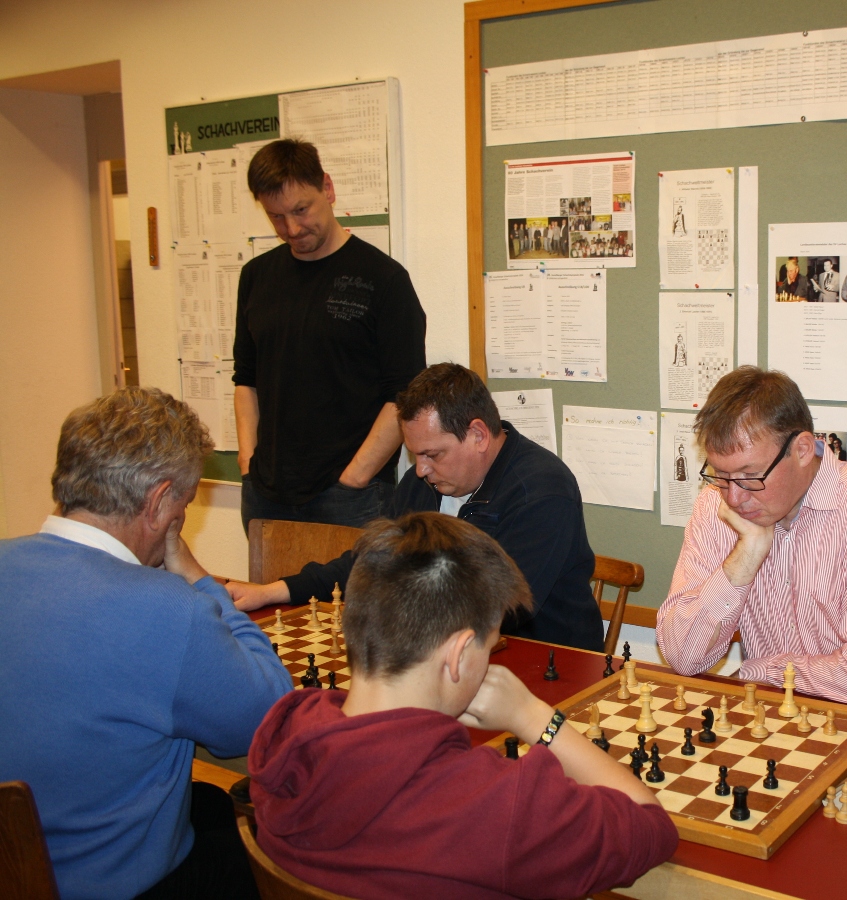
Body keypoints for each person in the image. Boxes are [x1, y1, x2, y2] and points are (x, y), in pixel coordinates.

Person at [249, 512, 678, 899]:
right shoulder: (497, 807)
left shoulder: (283, 734)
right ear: (457, 655)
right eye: (488, 648)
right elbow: (651, 828)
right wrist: (534, 717)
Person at [0, 388, 292, 900]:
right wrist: (201, 582)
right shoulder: (166, 609)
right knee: (269, 846)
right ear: (158, 503)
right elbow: (267, 715)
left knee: (207, 803)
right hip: (113, 884)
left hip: (17, 866)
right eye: (185, 503)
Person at [228, 363, 604, 651]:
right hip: (449, 652)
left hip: (546, 662)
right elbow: (372, 560)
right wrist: (277, 590)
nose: (420, 470)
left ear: (477, 435)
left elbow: (501, 608)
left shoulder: (542, 490)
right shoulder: (424, 483)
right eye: (415, 455)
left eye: (432, 454)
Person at [655, 367, 847, 712]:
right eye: (721, 475)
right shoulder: (714, 507)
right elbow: (683, 656)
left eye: (750, 475)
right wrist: (744, 558)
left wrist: (765, 672)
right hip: (781, 716)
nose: (734, 497)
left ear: (803, 449)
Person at [234, 139, 427, 534]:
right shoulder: (255, 276)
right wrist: (247, 461)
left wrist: (356, 476)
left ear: (327, 188)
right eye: (276, 217)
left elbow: (405, 394)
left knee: (358, 582)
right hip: (265, 493)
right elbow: (245, 379)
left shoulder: (384, 279)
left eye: (301, 210)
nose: (291, 229)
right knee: (269, 581)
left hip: (351, 496)